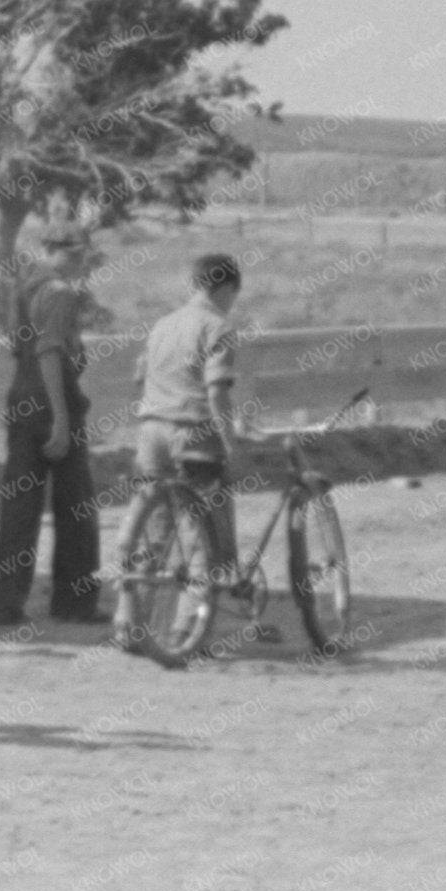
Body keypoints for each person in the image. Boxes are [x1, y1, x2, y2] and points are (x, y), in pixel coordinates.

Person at [111, 252, 248, 664]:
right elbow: (217, 393)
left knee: (152, 530)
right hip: (194, 432)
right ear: (225, 288)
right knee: (199, 535)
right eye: (233, 295)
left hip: (151, 430)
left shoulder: (162, 325)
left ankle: (128, 624)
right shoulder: (218, 327)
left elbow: (139, 380)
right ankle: (188, 629)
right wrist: (231, 445)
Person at [0, 224, 107, 627]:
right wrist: (58, 418)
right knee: (77, 506)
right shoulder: (59, 293)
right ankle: (74, 602)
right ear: (69, 253)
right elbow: (51, 352)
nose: (82, 264)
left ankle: (4, 603)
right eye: (79, 256)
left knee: (19, 507)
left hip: (21, 396)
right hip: (52, 400)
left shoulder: (24, 288)